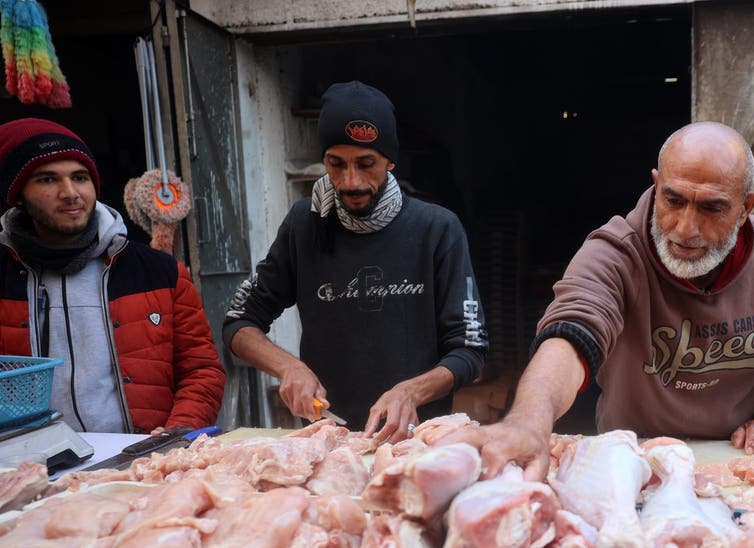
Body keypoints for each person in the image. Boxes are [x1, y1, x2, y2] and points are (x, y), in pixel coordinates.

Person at [448, 122, 754, 478]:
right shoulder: (616, 252)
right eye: (674, 201)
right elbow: (571, 336)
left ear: (746, 208)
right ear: (656, 184)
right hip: (631, 459)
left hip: (738, 460)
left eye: (712, 208)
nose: (686, 228)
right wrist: (528, 421)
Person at [224, 81, 487, 441]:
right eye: (336, 164)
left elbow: (469, 350)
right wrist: (289, 367)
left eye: (367, 164)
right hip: (328, 440)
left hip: (419, 442)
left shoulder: (437, 229)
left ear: (390, 160)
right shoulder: (305, 225)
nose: (351, 181)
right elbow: (239, 322)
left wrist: (411, 391)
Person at [0, 118, 225, 433]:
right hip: (29, 456)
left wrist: (177, 435)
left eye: (80, 177)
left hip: (141, 455)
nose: (70, 193)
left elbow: (201, 370)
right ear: (18, 195)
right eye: (47, 179)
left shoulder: (159, 272)